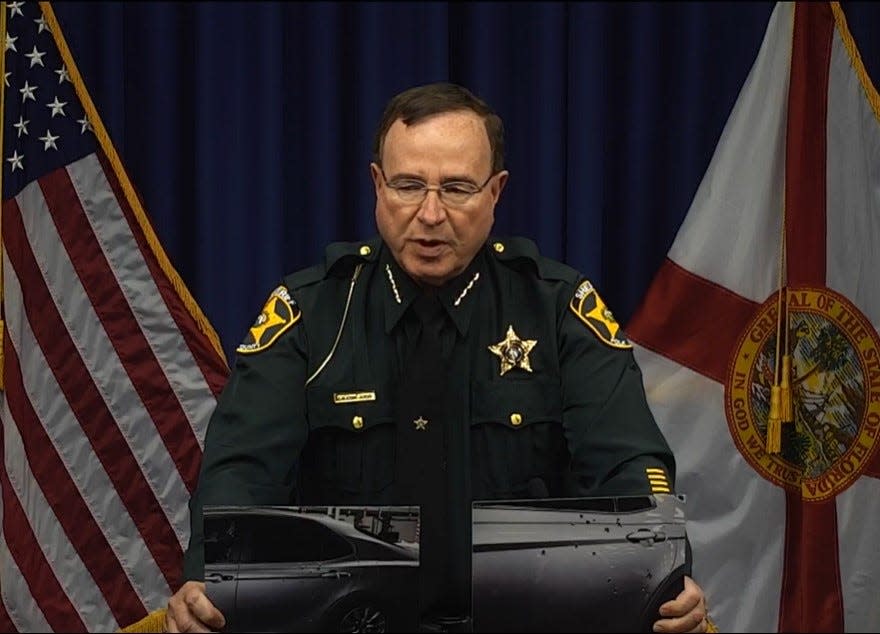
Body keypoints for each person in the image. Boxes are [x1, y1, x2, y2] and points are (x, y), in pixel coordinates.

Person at [162, 82, 712, 633]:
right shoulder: (312, 314)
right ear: (377, 185)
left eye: (456, 188)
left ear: (496, 193)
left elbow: (629, 465)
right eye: (407, 186)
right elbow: (241, 472)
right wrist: (211, 576)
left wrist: (663, 574)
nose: (429, 214)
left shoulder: (557, 309)